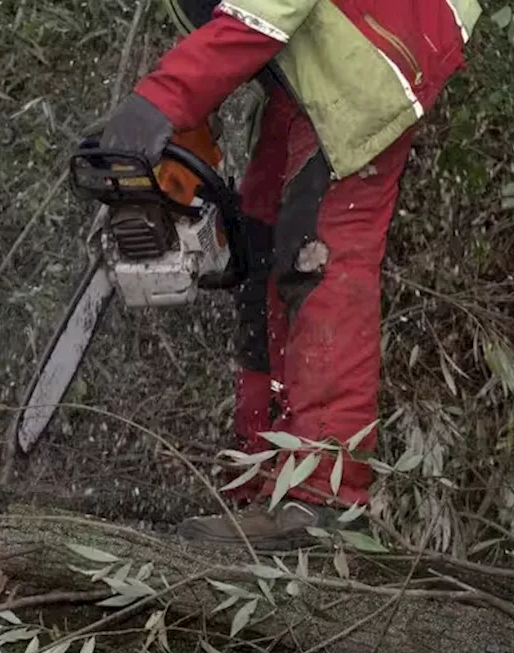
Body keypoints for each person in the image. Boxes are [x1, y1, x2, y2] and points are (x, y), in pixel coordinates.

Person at [99, 0, 482, 550]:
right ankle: (261, 478)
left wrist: (163, 99)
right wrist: (176, 122)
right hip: (319, 58)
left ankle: (323, 496)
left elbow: (268, 7)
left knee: (318, 255)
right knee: (259, 241)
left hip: (375, 43)